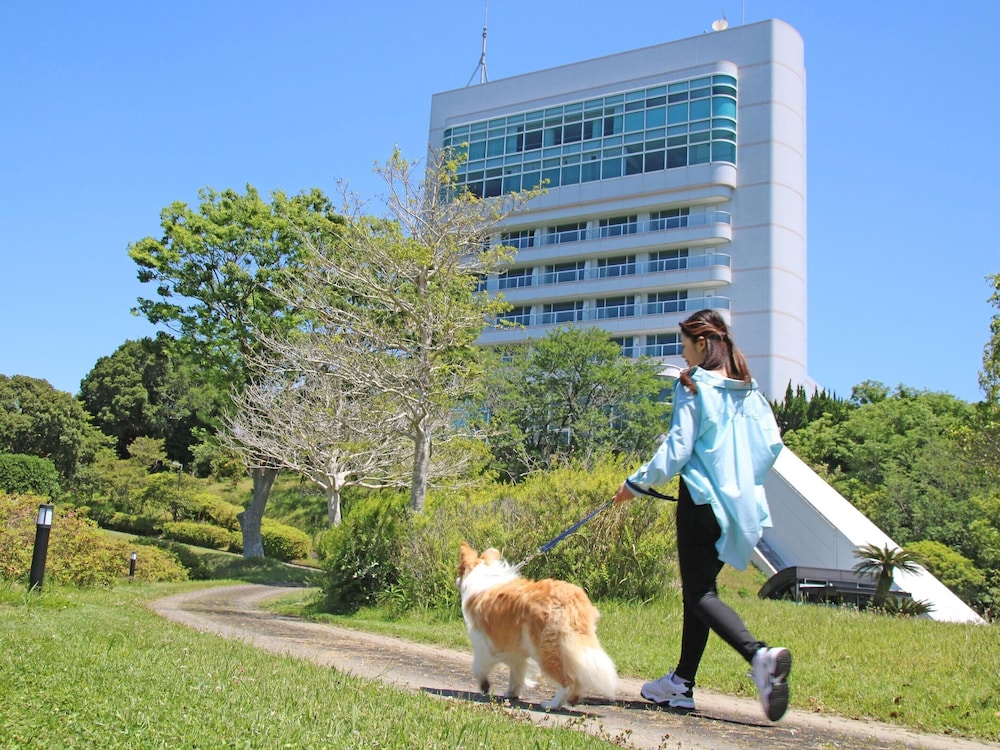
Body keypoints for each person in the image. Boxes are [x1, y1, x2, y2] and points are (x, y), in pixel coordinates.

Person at [612, 309, 792, 722]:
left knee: (700, 595)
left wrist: (635, 483)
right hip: (737, 505)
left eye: (685, 343)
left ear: (702, 344)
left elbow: (676, 451)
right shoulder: (749, 390)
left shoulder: (693, 386)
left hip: (699, 501)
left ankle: (759, 655)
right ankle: (681, 683)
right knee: (699, 592)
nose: (682, 351)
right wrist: (737, 479)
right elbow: (771, 446)